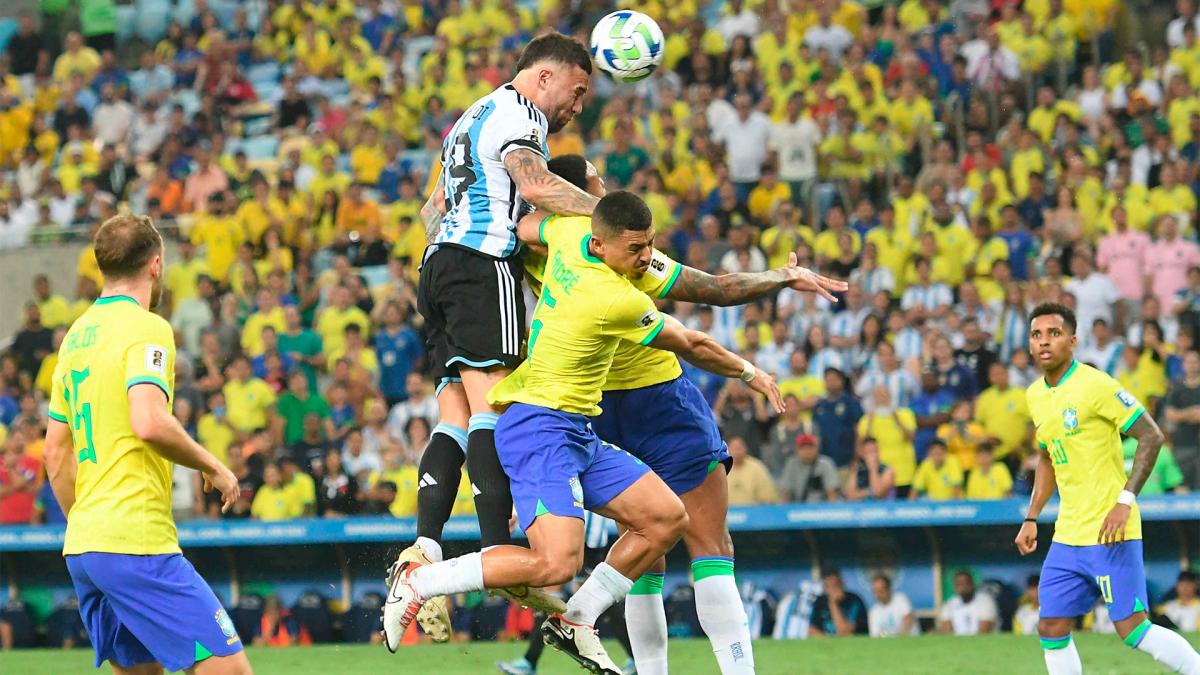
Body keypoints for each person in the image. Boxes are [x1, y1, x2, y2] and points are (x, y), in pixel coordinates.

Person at [421, 154, 843, 674]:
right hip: (657, 401)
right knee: (709, 545)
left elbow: (504, 229)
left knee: (644, 554)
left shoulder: (534, 242)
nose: (601, 187)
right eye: (595, 181)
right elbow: (713, 293)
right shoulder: (629, 258)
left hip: (587, 411)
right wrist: (779, 284)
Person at [396, 33, 602, 626]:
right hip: (482, 266)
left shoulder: (470, 117)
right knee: (493, 407)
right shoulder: (522, 115)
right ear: (544, 76)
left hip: (437, 266)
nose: (576, 107)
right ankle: (495, 553)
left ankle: (425, 545)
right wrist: (610, 216)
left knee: (455, 415)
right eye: (576, 92)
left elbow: (432, 210)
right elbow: (533, 184)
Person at [41, 214, 249, 674]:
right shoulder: (147, 327)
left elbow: (54, 454)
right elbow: (150, 421)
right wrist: (213, 465)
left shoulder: (74, 338)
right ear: (156, 265)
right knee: (230, 670)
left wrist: (90, 527)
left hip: (86, 546)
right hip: (135, 541)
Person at [1015, 302, 1200, 674]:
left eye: (1054, 333)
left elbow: (1151, 435)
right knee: (1050, 626)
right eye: (1037, 335)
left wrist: (1124, 501)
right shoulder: (1035, 395)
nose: (1044, 341)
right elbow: (1047, 457)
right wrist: (1032, 516)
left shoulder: (1095, 384)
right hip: (1068, 534)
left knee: (1133, 630)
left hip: (1110, 531)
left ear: (1072, 341)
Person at [777, 433, 840, 503]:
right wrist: (785, 508)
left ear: (817, 449)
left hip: (822, 506)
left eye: (810, 448)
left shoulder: (826, 464)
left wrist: (831, 508)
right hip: (799, 506)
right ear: (797, 450)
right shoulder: (791, 464)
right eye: (803, 448)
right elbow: (785, 492)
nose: (807, 451)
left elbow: (832, 492)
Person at [808, 569, 868, 637]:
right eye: (828, 586)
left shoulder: (854, 601)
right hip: (827, 642)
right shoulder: (819, 602)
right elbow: (811, 631)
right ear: (824, 587)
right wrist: (830, 641)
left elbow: (845, 632)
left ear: (842, 583)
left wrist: (833, 604)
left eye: (835, 585)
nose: (832, 590)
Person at [938, 571, 998, 635]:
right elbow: (947, 631)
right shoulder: (949, 603)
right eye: (959, 584)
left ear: (973, 584)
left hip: (983, 640)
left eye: (966, 583)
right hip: (956, 640)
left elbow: (984, 630)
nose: (963, 587)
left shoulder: (985, 601)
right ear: (954, 587)